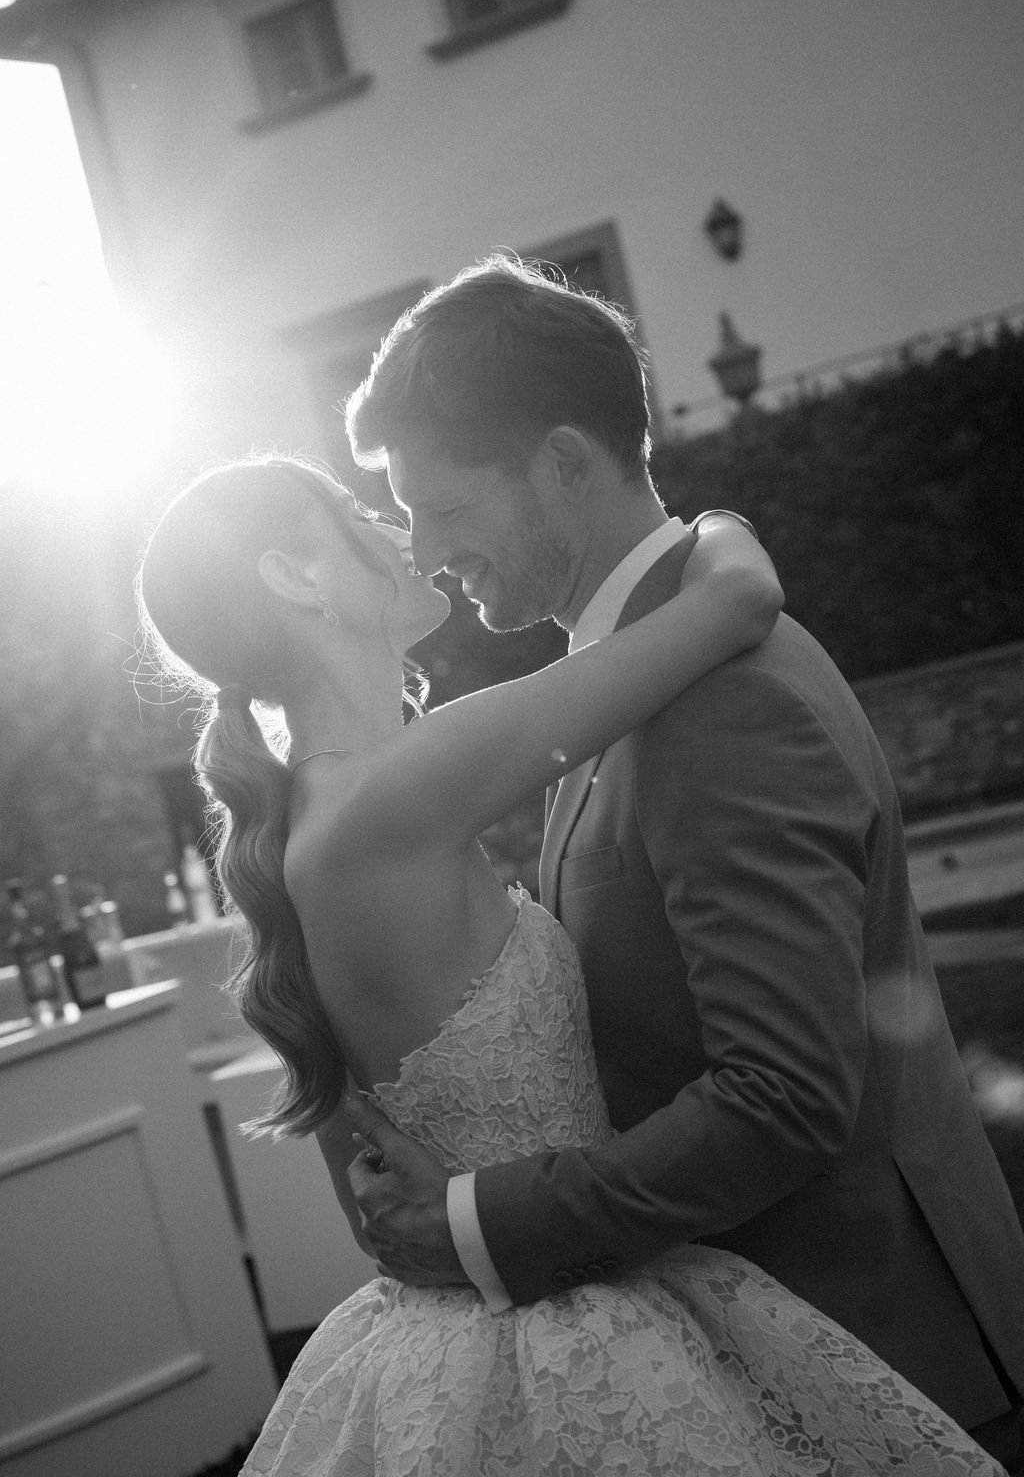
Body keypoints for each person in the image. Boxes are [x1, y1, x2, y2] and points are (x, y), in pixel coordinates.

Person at [138, 454, 1004, 1476]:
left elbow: (366, 1184)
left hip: (489, 1312)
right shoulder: (401, 787)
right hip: (569, 1326)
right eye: (359, 512)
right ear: (296, 577)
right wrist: (717, 517)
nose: (403, 535)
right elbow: (733, 600)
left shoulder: (313, 825)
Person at [341, 254, 1024, 1474]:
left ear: (561, 462)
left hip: (889, 1355)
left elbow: (783, 1095)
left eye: (444, 510)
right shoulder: (632, 667)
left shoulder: (714, 698)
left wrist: (482, 1223)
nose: (427, 555)